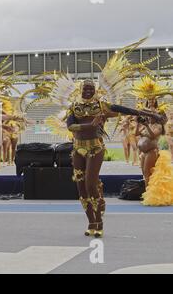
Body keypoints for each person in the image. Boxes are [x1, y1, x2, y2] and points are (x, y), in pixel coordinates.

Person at [66, 80, 163, 238]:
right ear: (80, 90)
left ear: (95, 90)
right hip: (77, 149)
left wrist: (149, 113)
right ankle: (90, 223)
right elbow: (70, 126)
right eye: (85, 89)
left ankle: (99, 223)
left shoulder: (102, 106)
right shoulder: (73, 106)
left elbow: (126, 110)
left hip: (95, 148)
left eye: (91, 89)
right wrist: (90, 125)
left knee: (91, 184)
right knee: (81, 188)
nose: (88, 92)